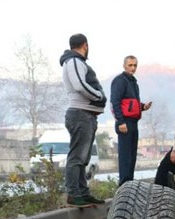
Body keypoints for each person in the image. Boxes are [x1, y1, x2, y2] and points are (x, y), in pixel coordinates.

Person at [59, 33, 106, 207]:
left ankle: (82, 192)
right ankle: (73, 194)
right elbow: (79, 85)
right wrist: (99, 96)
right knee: (77, 156)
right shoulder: (74, 61)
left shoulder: (75, 62)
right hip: (80, 115)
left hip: (85, 115)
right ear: (85, 45)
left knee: (82, 157)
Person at [110, 55, 151, 186]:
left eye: (135, 65)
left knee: (132, 156)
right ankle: (124, 185)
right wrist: (120, 121)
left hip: (134, 122)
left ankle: (130, 184)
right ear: (124, 65)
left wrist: (143, 106)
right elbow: (115, 102)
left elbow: (131, 104)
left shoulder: (134, 82)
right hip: (124, 123)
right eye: (130, 65)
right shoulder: (119, 81)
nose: (133, 68)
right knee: (125, 156)